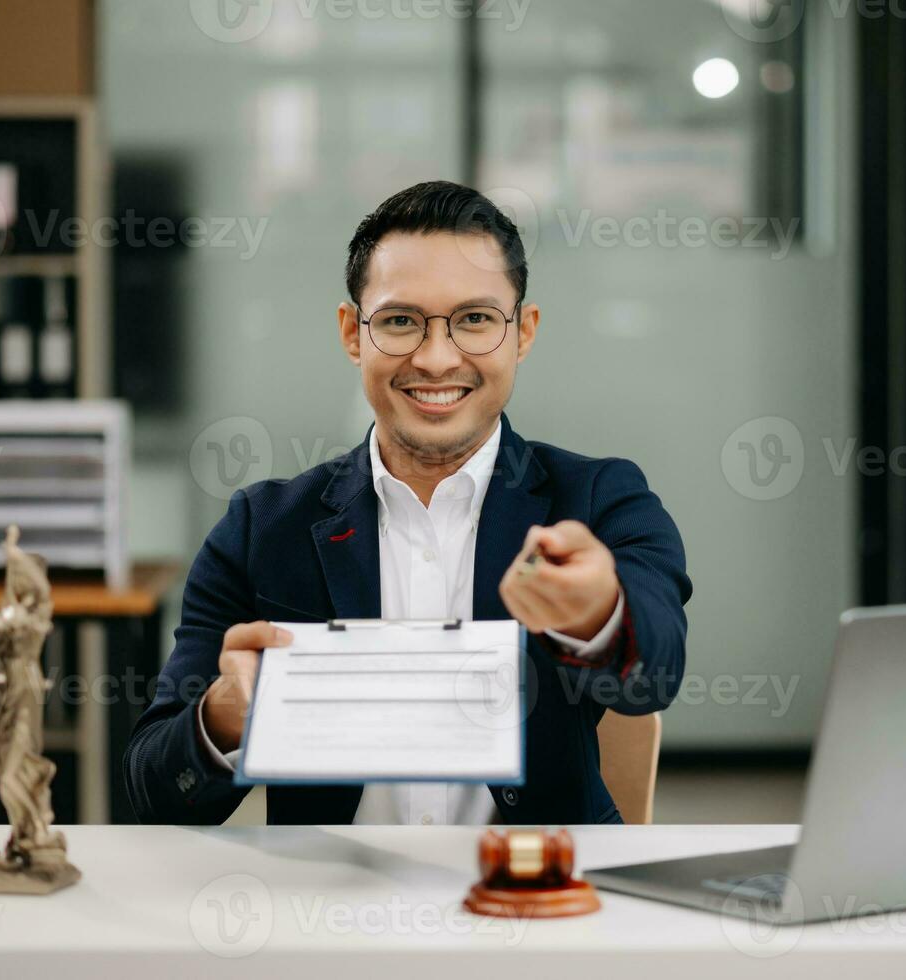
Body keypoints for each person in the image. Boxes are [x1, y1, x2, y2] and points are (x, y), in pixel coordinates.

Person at [124, 181, 690, 826]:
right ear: (352, 333)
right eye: (400, 321)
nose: (436, 357)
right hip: (329, 906)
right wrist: (227, 712)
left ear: (523, 332)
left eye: (475, 319)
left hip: (535, 899)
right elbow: (155, 793)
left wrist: (597, 613)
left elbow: (656, 678)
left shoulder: (597, 498)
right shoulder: (262, 528)